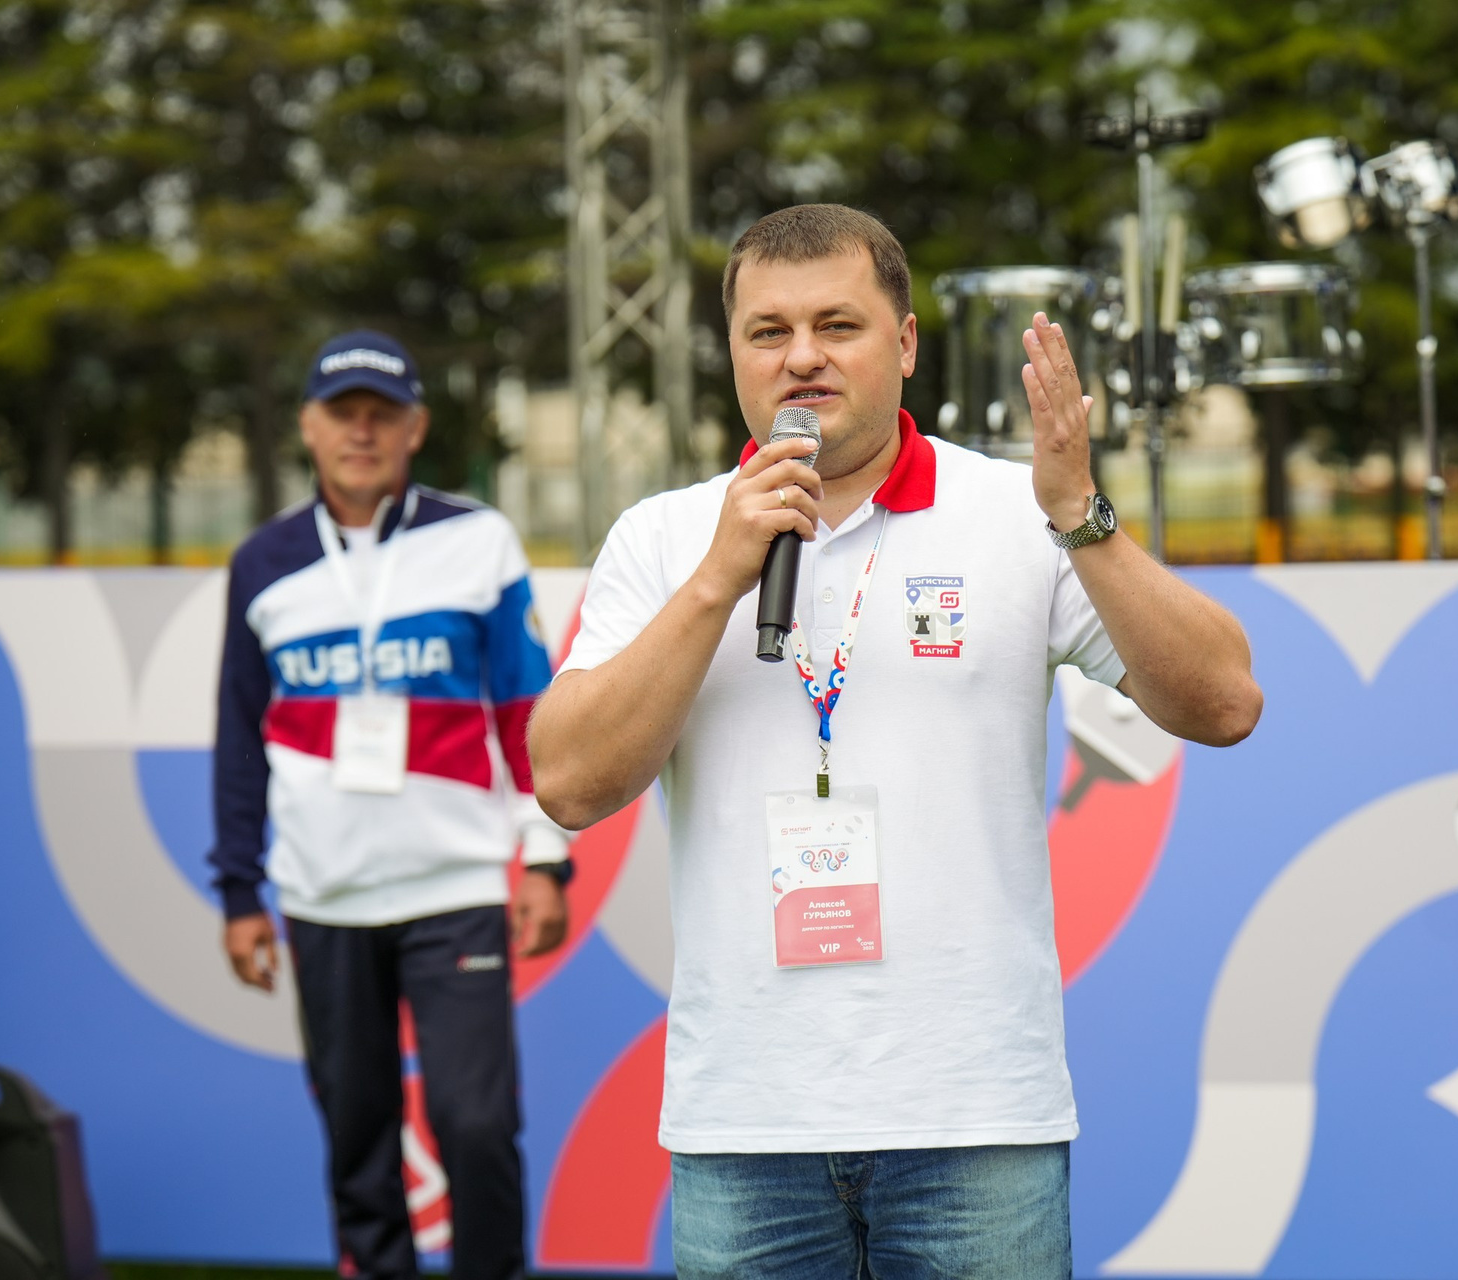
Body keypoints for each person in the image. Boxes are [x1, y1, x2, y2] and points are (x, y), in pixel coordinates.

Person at [528, 205, 1262, 1278]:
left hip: (977, 1116)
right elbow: (567, 780)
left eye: (838, 324)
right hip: (747, 1121)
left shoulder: (1020, 510)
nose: (803, 357)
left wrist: (1081, 512)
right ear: (732, 353)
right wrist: (720, 577)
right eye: (769, 331)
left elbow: (1226, 701)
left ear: (906, 343)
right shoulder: (667, 536)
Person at [209, 329, 571, 1280]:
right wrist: (240, 891)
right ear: (308, 426)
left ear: (416, 427)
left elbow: (527, 711)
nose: (361, 432)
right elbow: (239, 740)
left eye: (382, 413)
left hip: (454, 886)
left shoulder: (477, 540)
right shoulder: (263, 562)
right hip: (323, 894)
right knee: (357, 1135)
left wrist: (544, 856)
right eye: (343, 413)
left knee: (476, 1124)